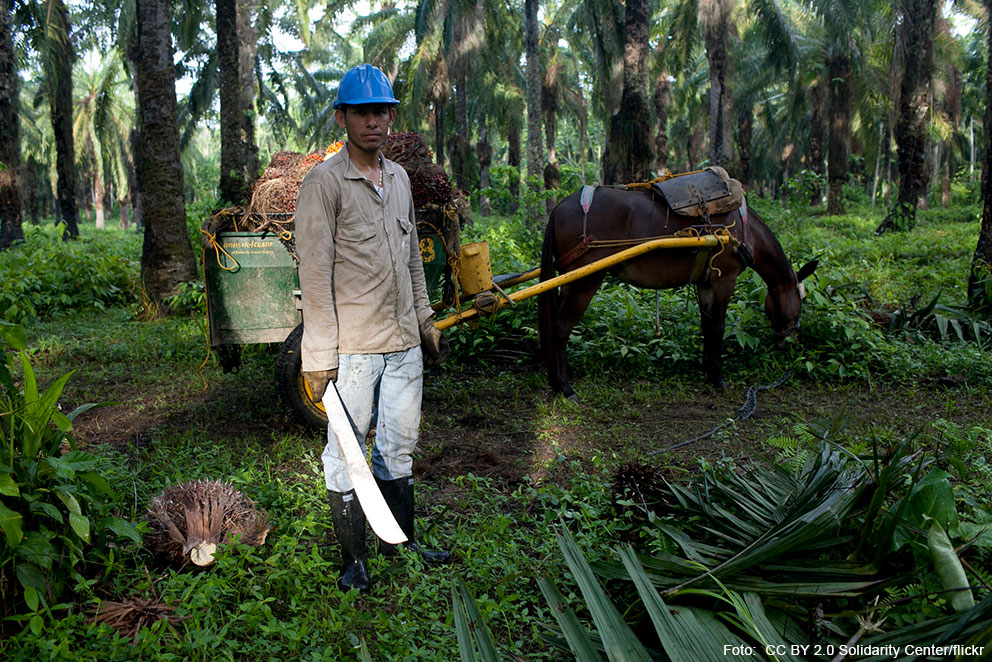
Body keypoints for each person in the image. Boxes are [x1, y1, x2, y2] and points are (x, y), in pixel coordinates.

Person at [295, 64, 450, 593]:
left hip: (403, 342)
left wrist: (425, 320)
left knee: (398, 447)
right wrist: (317, 356)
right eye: (362, 112)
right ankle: (353, 559)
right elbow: (313, 274)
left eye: (381, 111)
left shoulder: (401, 179)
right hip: (354, 350)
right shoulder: (324, 183)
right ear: (343, 117)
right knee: (345, 455)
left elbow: (412, 261)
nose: (374, 122)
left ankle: (399, 541)